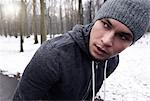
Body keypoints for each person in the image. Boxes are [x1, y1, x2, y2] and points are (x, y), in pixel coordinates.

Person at [13, 0, 150, 100]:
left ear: (131, 43)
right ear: (96, 20)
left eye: (123, 36)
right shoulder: (52, 55)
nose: (106, 41)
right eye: (106, 25)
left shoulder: (111, 62)